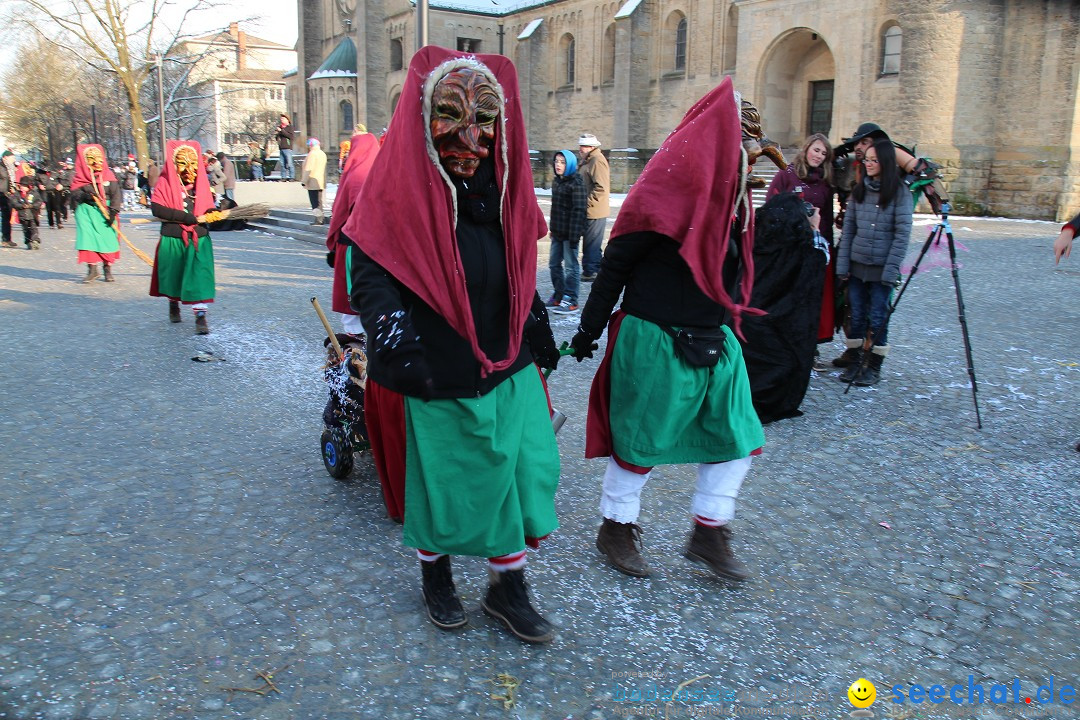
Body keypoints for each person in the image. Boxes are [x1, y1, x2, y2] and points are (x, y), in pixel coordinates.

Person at [346, 47, 561, 644]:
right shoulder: (396, 190)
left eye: (486, 118)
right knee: (448, 482)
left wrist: (534, 319)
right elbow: (370, 271)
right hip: (436, 365)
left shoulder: (505, 185)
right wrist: (395, 338)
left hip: (506, 362)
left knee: (519, 474)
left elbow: (516, 261)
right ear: (422, 119)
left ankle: (506, 589)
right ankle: (436, 576)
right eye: (450, 114)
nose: (471, 136)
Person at [570, 77, 765, 583]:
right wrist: (588, 330)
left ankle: (709, 530)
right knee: (639, 444)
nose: (752, 157)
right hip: (655, 338)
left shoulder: (735, 202)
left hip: (714, 338)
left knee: (738, 437)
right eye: (743, 146)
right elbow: (614, 266)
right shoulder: (661, 192)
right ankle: (616, 526)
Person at [739, 193, 829, 422]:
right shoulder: (801, 250)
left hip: (744, 322)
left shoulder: (755, 241)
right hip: (776, 332)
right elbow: (819, 260)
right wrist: (815, 230)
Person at [835, 138, 914, 387]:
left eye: (874, 160)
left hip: (882, 268)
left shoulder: (899, 193)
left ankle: (875, 365)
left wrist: (891, 270)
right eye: (866, 160)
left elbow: (902, 235)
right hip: (858, 265)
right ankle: (855, 360)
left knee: (879, 317)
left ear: (885, 162)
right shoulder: (860, 190)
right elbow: (848, 231)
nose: (868, 164)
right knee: (857, 315)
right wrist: (843, 266)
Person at [767, 133, 836, 370]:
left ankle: (809, 348)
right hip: (789, 248)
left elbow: (826, 217)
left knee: (810, 299)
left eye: (824, 153)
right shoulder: (787, 174)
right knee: (788, 296)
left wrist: (827, 247)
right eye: (816, 150)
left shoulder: (826, 183)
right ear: (806, 149)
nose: (819, 156)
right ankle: (782, 345)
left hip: (813, 249)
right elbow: (771, 207)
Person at [149, 140, 220, 334]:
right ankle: (173, 303)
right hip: (174, 238)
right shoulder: (165, 182)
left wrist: (214, 212)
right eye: (183, 163)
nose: (189, 169)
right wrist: (185, 217)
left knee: (200, 277)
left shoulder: (202, 183)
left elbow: (208, 205)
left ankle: (200, 317)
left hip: (199, 238)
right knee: (174, 276)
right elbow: (157, 208)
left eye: (193, 163)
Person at [326, 129, 380, 336]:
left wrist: (333, 244)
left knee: (352, 293)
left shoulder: (355, 173)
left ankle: (355, 339)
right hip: (377, 246)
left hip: (351, 245)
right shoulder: (381, 170)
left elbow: (339, 213)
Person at [70, 144, 122, 283]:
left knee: (108, 240)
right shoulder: (80, 178)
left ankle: (107, 269)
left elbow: (116, 195)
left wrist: (113, 211)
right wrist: (84, 195)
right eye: (92, 160)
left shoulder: (109, 176)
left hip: (105, 211)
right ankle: (92, 270)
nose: (97, 163)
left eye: (99, 159)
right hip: (87, 212)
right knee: (88, 241)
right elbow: (74, 194)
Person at [547, 149, 587, 314]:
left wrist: (574, 237)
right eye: (556, 161)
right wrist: (552, 229)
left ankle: (571, 299)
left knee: (571, 267)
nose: (558, 165)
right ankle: (559, 294)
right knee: (554, 264)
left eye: (562, 162)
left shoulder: (576, 183)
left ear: (569, 164)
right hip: (557, 232)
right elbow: (555, 209)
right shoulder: (557, 182)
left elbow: (579, 211)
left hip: (570, 234)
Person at [577, 133, 610, 281]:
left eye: (583, 146)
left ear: (592, 147)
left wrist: (586, 203)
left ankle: (591, 271)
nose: (580, 149)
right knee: (591, 242)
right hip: (589, 209)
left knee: (592, 242)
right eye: (580, 146)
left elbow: (601, 187)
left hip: (594, 210)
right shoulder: (588, 160)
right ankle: (593, 269)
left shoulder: (597, 160)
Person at [8, 176, 45, 250]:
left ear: (28, 186)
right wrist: (21, 206)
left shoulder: (34, 193)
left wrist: (32, 205)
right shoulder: (17, 194)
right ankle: (28, 242)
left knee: (33, 228)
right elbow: (13, 202)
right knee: (26, 230)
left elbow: (39, 201)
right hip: (22, 216)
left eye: (24, 186)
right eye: (21, 185)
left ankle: (35, 241)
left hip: (32, 215)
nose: (22, 187)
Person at [301, 138, 327, 225]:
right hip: (320, 181)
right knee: (319, 201)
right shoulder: (322, 154)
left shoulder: (312, 154)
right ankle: (321, 218)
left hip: (312, 181)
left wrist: (304, 181)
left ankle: (318, 219)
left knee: (315, 202)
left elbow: (308, 168)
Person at [46, 160, 72, 230]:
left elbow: (68, 181)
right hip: (48, 192)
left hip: (57, 192)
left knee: (58, 208)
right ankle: (51, 223)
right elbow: (48, 182)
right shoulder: (52, 173)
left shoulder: (64, 173)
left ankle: (59, 223)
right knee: (49, 209)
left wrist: (62, 185)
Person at [276, 114, 295, 180]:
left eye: (283, 119)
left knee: (289, 163)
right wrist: (277, 134)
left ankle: (291, 177)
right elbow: (277, 138)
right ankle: (283, 177)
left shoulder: (290, 127)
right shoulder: (280, 127)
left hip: (287, 148)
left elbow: (291, 136)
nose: (281, 120)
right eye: (281, 119)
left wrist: (281, 131)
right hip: (281, 148)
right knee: (282, 164)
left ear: (287, 120)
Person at [0, 152, 13, 248]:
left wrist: (10, 188)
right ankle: (6, 238)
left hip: (5, 194)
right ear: (5, 157)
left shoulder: (6, 167)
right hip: (1, 193)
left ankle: (6, 239)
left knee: (6, 215)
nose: (13, 160)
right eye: (11, 158)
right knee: (5, 215)